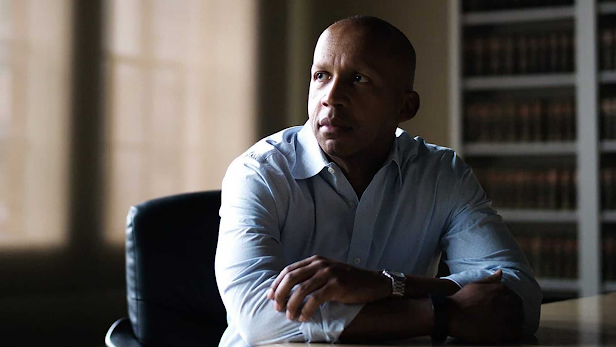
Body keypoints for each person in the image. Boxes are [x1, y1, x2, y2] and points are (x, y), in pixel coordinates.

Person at [215, 15, 541, 347]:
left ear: (405, 106)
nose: (331, 96)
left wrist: (388, 285)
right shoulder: (259, 173)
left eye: (358, 78)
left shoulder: (441, 173)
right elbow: (258, 319)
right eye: (321, 76)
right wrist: (440, 314)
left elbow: (519, 296)